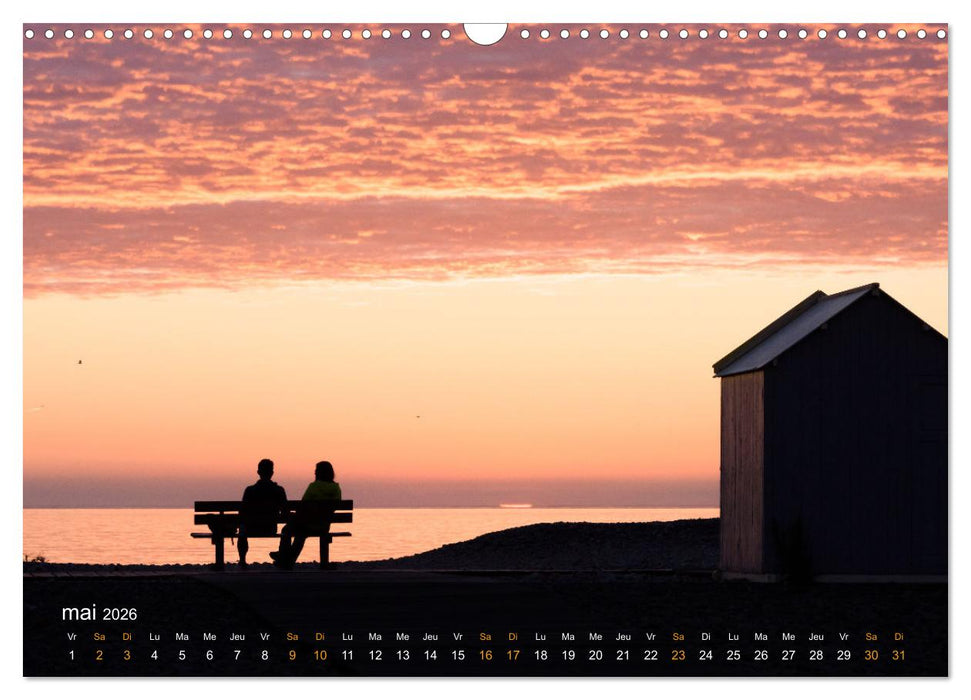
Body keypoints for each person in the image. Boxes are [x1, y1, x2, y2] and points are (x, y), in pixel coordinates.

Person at [271, 460, 342, 569]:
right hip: (323, 527)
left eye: (316, 471)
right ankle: (286, 561)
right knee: (300, 534)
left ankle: (283, 557)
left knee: (287, 530)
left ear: (319, 473)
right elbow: (335, 506)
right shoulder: (336, 488)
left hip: (307, 525)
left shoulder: (313, 487)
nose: (314, 473)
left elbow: (303, 505)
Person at [238, 458, 288, 568]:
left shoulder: (250, 490)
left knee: (242, 528)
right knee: (287, 530)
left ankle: (242, 560)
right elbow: (285, 513)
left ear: (258, 472)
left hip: (251, 528)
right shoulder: (279, 490)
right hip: (270, 528)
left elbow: (242, 512)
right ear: (272, 473)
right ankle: (283, 558)